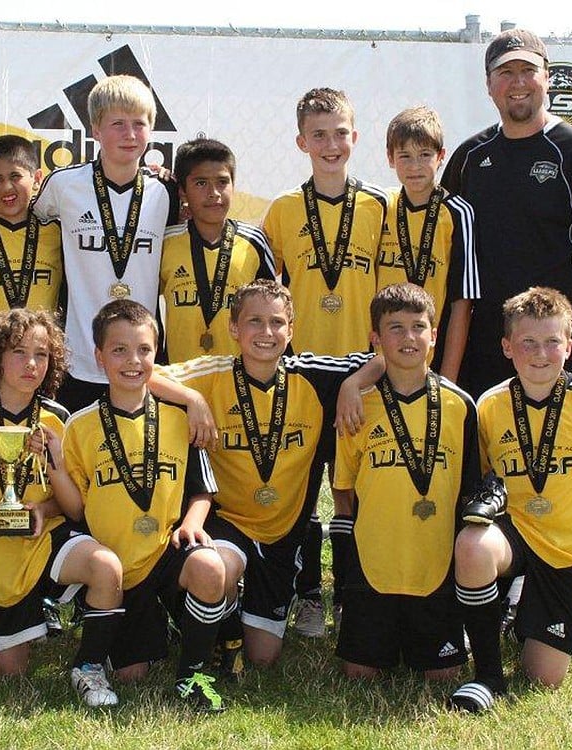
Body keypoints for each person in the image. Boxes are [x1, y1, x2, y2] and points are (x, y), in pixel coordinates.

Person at [442, 28, 572, 666]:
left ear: (546, 78)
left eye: (529, 72)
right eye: (505, 73)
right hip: (483, 354)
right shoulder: (470, 156)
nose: (518, 84)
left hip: (556, 349)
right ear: (489, 84)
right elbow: (443, 249)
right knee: (491, 477)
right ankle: (506, 595)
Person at [152, 279, 378, 676]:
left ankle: (230, 616)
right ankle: (197, 612)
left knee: (262, 657)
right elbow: (142, 372)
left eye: (277, 323)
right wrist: (194, 399)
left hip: (282, 535)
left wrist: (353, 383)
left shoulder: (311, 376)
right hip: (229, 523)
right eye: (254, 322)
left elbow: (383, 358)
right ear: (234, 328)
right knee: (214, 569)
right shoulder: (212, 373)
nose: (266, 333)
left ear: (291, 330)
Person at [448, 287, 572, 713]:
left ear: (569, 345)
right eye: (528, 342)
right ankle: (487, 675)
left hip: (566, 550)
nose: (541, 353)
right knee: (472, 545)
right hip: (515, 535)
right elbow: (480, 480)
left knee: (543, 677)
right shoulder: (489, 406)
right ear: (507, 346)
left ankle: (526, 620)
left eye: (552, 341)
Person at [0, 309, 126, 707]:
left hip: (44, 537)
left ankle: (89, 668)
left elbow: (74, 508)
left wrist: (46, 496)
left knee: (105, 566)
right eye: (19, 352)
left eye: (41, 354)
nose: (31, 364)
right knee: (10, 670)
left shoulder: (59, 419)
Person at [53, 300, 228, 712]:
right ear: (99, 357)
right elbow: (76, 511)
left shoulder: (177, 416)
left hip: (164, 551)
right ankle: (98, 654)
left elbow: (202, 489)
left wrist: (192, 522)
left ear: (157, 352)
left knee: (210, 565)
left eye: (144, 350)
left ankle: (194, 675)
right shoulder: (79, 426)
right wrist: (57, 469)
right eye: (119, 350)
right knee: (133, 672)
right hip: (115, 561)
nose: (133, 361)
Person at [261, 87, 388, 637]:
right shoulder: (285, 210)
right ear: (300, 142)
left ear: (355, 138)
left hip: (364, 369)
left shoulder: (380, 207)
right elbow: (266, 295)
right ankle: (308, 593)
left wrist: (374, 368)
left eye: (340, 133)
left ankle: (354, 594)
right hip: (304, 371)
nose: (330, 144)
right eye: (319, 135)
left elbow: (394, 300)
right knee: (301, 484)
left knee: (353, 488)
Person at [333, 283, 478, 682]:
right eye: (395, 328)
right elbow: (343, 487)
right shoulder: (358, 404)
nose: (409, 338)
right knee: (359, 674)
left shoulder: (460, 406)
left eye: (419, 327)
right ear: (375, 338)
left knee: (443, 676)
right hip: (374, 564)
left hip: (434, 566)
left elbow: (470, 490)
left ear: (435, 334)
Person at [33, 74, 181, 412]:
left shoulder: (165, 191)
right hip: (77, 359)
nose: (129, 135)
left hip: (140, 363)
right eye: (117, 124)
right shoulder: (63, 185)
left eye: (139, 124)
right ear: (95, 130)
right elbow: (25, 222)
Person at [378, 107, 478, 380]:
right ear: (390, 158)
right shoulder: (380, 206)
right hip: (379, 362)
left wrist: (447, 378)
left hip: (432, 362)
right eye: (405, 156)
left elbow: (462, 302)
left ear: (441, 157)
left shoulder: (458, 213)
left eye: (425, 155)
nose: (415, 166)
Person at [158, 138, 275, 363]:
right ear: (182, 190)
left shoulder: (254, 242)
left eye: (222, 182)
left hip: (239, 379)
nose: (214, 193)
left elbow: (274, 309)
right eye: (201, 183)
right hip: (178, 379)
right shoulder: (166, 241)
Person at [0, 134, 63, 340]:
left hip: (40, 359)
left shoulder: (57, 231)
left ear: (36, 179)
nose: (7, 187)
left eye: (15, 176)